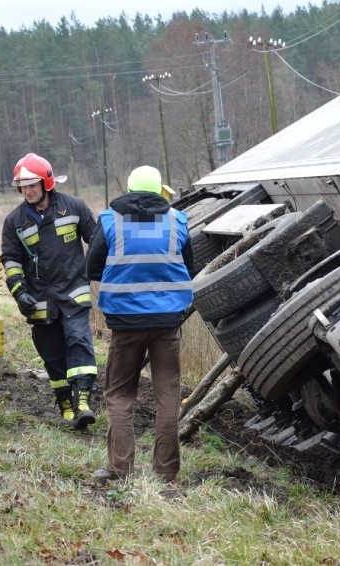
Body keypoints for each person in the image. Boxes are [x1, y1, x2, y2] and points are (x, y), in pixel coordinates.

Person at [85, 165, 194, 482]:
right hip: (167, 322)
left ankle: (120, 469)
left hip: (125, 322)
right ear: (160, 190)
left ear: (130, 191)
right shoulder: (178, 221)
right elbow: (188, 267)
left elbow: (91, 267)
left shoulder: (110, 220)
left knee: (119, 395)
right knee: (168, 396)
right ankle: (166, 471)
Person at [0, 153, 98, 429]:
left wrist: (91, 270)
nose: (28, 190)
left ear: (46, 183)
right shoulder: (13, 221)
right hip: (39, 299)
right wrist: (19, 293)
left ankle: (83, 402)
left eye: (32, 184)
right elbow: (11, 260)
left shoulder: (74, 207)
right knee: (52, 353)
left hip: (73, 291)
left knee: (79, 340)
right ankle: (65, 402)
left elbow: (97, 241)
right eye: (23, 185)